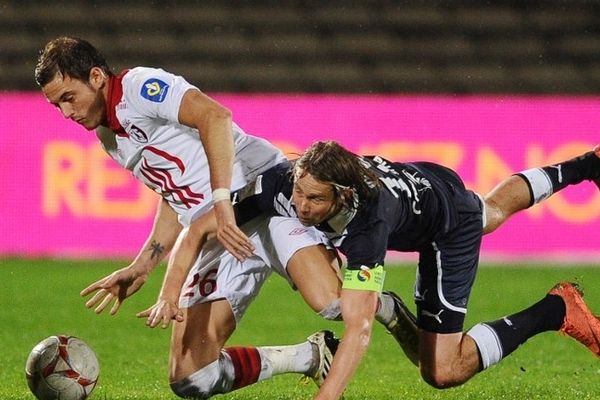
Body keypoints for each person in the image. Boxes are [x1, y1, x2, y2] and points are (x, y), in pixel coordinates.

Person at [34, 37, 413, 398]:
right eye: (57, 106)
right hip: (216, 231)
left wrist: (220, 202)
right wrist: (144, 264)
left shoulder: (140, 86)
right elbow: (174, 193)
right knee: (191, 378)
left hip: (264, 199)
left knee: (334, 303)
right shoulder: (110, 136)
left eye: (69, 98)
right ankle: (310, 356)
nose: (67, 113)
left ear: (97, 77)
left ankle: (385, 305)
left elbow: (215, 116)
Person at [226, 140, 600, 399]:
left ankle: (556, 310)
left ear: (343, 194)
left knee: (442, 370)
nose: (301, 206)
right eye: (299, 193)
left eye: (314, 198)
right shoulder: (301, 175)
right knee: (492, 210)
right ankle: (587, 164)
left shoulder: (368, 227)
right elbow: (223, 215)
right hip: (428, 180)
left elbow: (358, 328)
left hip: (448, 230)